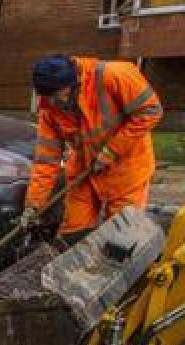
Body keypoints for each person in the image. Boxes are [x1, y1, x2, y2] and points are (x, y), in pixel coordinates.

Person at [21, 54, 162, 244]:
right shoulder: (49, 110)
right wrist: (33, 205)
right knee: (72, 234)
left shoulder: (114, 76)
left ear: (73, 84)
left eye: (56, 96)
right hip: (85, 170)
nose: (53, 103)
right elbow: (46, 161)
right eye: (47, 97)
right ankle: (75, 269)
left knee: (123, 237)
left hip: (126, 169)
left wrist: (112, 151)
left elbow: (151, 110)